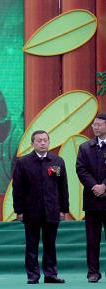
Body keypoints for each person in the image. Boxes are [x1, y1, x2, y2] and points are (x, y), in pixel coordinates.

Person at [12, 130, 68, 284]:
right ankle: (33, 275)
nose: (43, 143)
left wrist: (64, 209)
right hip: (31, 211)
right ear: (32, 143)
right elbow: (17, 188)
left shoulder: (57, 161)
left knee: (50, 244)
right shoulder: (23, 162)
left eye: (45, 140)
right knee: (32, 245)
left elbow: (62, 187)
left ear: (49, 142)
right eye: (39, 140)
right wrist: (18, 210)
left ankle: (50, 274)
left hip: (52, 210)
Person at [77, 113, 106, 283]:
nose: (95, 127)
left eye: (99, 125)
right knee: (92, 240)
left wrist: (104, 186)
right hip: (92, 201)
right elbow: (81, 170)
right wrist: (95, 186)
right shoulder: (85, 147)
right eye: (94, 124)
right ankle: (93, 272)